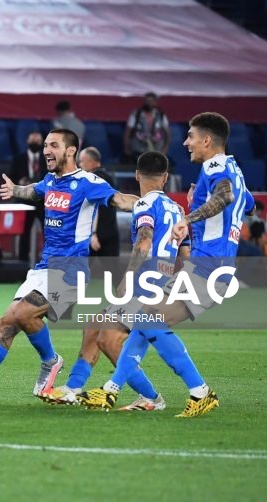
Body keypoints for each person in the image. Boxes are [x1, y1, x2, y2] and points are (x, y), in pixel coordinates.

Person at [0, 129, 138, 403]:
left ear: (71, 150)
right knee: (6, 323)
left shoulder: (88, 182)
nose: (46, 150)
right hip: (42, 269)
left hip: (70, 273)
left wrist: (154, 205)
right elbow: (34, 191)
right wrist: (16, 190)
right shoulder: (50, 181)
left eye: (53, 145)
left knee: (21, 313)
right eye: (45, 146)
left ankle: (51, 360)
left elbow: (122, 200)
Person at [80, 112, 253, 417]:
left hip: (209, 267)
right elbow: (247, 203)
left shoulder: (217, 165)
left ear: (207, 140)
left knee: (147, 320)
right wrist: (199, 203)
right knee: (147, 321)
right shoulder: (236, 170)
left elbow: (224, 196)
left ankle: (199, 392)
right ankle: (112, 390)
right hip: (210, 267)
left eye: (191, 136)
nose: (186, 142)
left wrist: (189, 216)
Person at [43, 151, 187, 411]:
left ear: (136, 175)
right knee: (94, 327)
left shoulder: (144, 204)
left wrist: (128, 278)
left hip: (145, 282)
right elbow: (185, 253)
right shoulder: (178, 209)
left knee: (108, 339)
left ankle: (151, 398)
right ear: (166, 177)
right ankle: (73, 388)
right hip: (164, 281)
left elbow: (144, 240)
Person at [9, 131, 45, 262]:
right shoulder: (18, 158)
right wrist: (19, 182)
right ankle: (23, 262)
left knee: (49, 230)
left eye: (38, 140)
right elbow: (11, 177)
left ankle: (49, 260)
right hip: (24, 200)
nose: (35, 143)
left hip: (43, 200)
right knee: (24, 232)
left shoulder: (48, 159)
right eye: (33, 140)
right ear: (27, 142)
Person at [79, 146, 120, 258]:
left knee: (81, 273)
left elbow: (94, 207)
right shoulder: (109, 178)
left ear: (91, 162)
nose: (80, 165)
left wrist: (93, 234)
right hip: (111, 233)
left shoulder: (91, 179)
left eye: (82, 161)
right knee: (111, 273)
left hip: (94, 234)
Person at [123, 92, 170, 164]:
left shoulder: (161, 115)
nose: (149, 103)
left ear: (155, 103)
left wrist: (165, 149)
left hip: (156, 149)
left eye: (151, 101)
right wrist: (127, 148)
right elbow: (128, 132)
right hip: (139, 149)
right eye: (147, 101)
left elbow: (167, 134)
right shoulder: (136, 114)